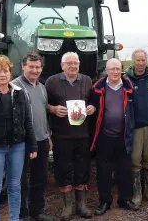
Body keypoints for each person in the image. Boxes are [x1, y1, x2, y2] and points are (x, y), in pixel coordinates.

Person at [45, 52, 96, 220]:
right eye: (69, 63)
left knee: (82, 169)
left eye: (76, 63)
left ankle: (81, 205)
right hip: (61, 135)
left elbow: (94, 102)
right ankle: (67, 207)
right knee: (63, 169)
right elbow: (43, 104)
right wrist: (52, 109)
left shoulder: (87, 80)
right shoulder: (51, 82)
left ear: (79, 65)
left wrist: (91, 108)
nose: (73, 66)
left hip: (82, 134)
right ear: (62, 65)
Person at [0, 55, 37, 221]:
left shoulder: (19, 93)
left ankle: (14, 218)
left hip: (17, 146)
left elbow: (27, 121)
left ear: (10, 73)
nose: (2, 74)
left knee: (15, 186)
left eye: (6, 71)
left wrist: (33, 146)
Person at [90, 58, 139, 216]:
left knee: (125, 170)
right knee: (104, 171)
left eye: (118, 69)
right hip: (104, 136)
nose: (115, 72)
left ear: (121, 70)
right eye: (112, 69)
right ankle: (105, 201)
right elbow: (92, 109)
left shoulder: (129, 87)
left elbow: (134, 110)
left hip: (123, 135)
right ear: (106, 70)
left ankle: (124, 199)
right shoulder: (97, 88)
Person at [12, 53, 53, 221]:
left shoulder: (42, 87)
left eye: (38, 67)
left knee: (40, 178)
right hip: (23, 142)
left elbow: (43, 113)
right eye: (31, 66)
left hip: (42, 140)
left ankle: (37, 210)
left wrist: (48, 136)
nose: (35, 70)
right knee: (21, 180)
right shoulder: (14, 87)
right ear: (23, 66)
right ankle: (22, 214)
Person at [124, 48, 148, 206]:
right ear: (133, 61)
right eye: (138, 60)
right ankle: (137, 192)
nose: (140, 63)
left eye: (143, 60)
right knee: (135, 159)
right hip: (134, 127)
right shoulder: (126, 79)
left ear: (147, 61)